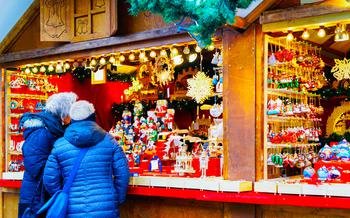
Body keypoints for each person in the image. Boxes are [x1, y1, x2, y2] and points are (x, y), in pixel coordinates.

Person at [43, 100, 130, 217]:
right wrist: (116, 198)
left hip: (72, 208)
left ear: (72, 119)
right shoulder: (110, 141)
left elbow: (49, 179)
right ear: (92, 117)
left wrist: (62, 197)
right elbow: (123, 174)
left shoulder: (59, 146)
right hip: (105, 206)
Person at [18, 92, 78, 218]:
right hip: (35, 197)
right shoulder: (41, 132)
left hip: (44, 194)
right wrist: (61, 169)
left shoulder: (55, 129)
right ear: (63, 112)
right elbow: (35, 165)